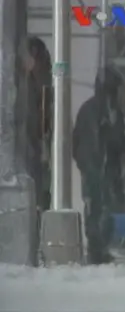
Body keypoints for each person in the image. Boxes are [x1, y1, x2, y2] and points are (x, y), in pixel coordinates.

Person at [73, 66, 125, 264]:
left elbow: (115, 139)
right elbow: (84, 142)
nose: (115, 95)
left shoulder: (113, 112)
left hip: (109, 169)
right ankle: (96, 251)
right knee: (95, 209)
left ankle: (100, 248)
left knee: (109, 209)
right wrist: (87, 164)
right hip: (95, 169)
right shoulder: (91, 111)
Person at [15, 37, 53, 215]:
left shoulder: (41, 89)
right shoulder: (23, 87)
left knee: (41, 190)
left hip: (36, 148)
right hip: (27, 149)